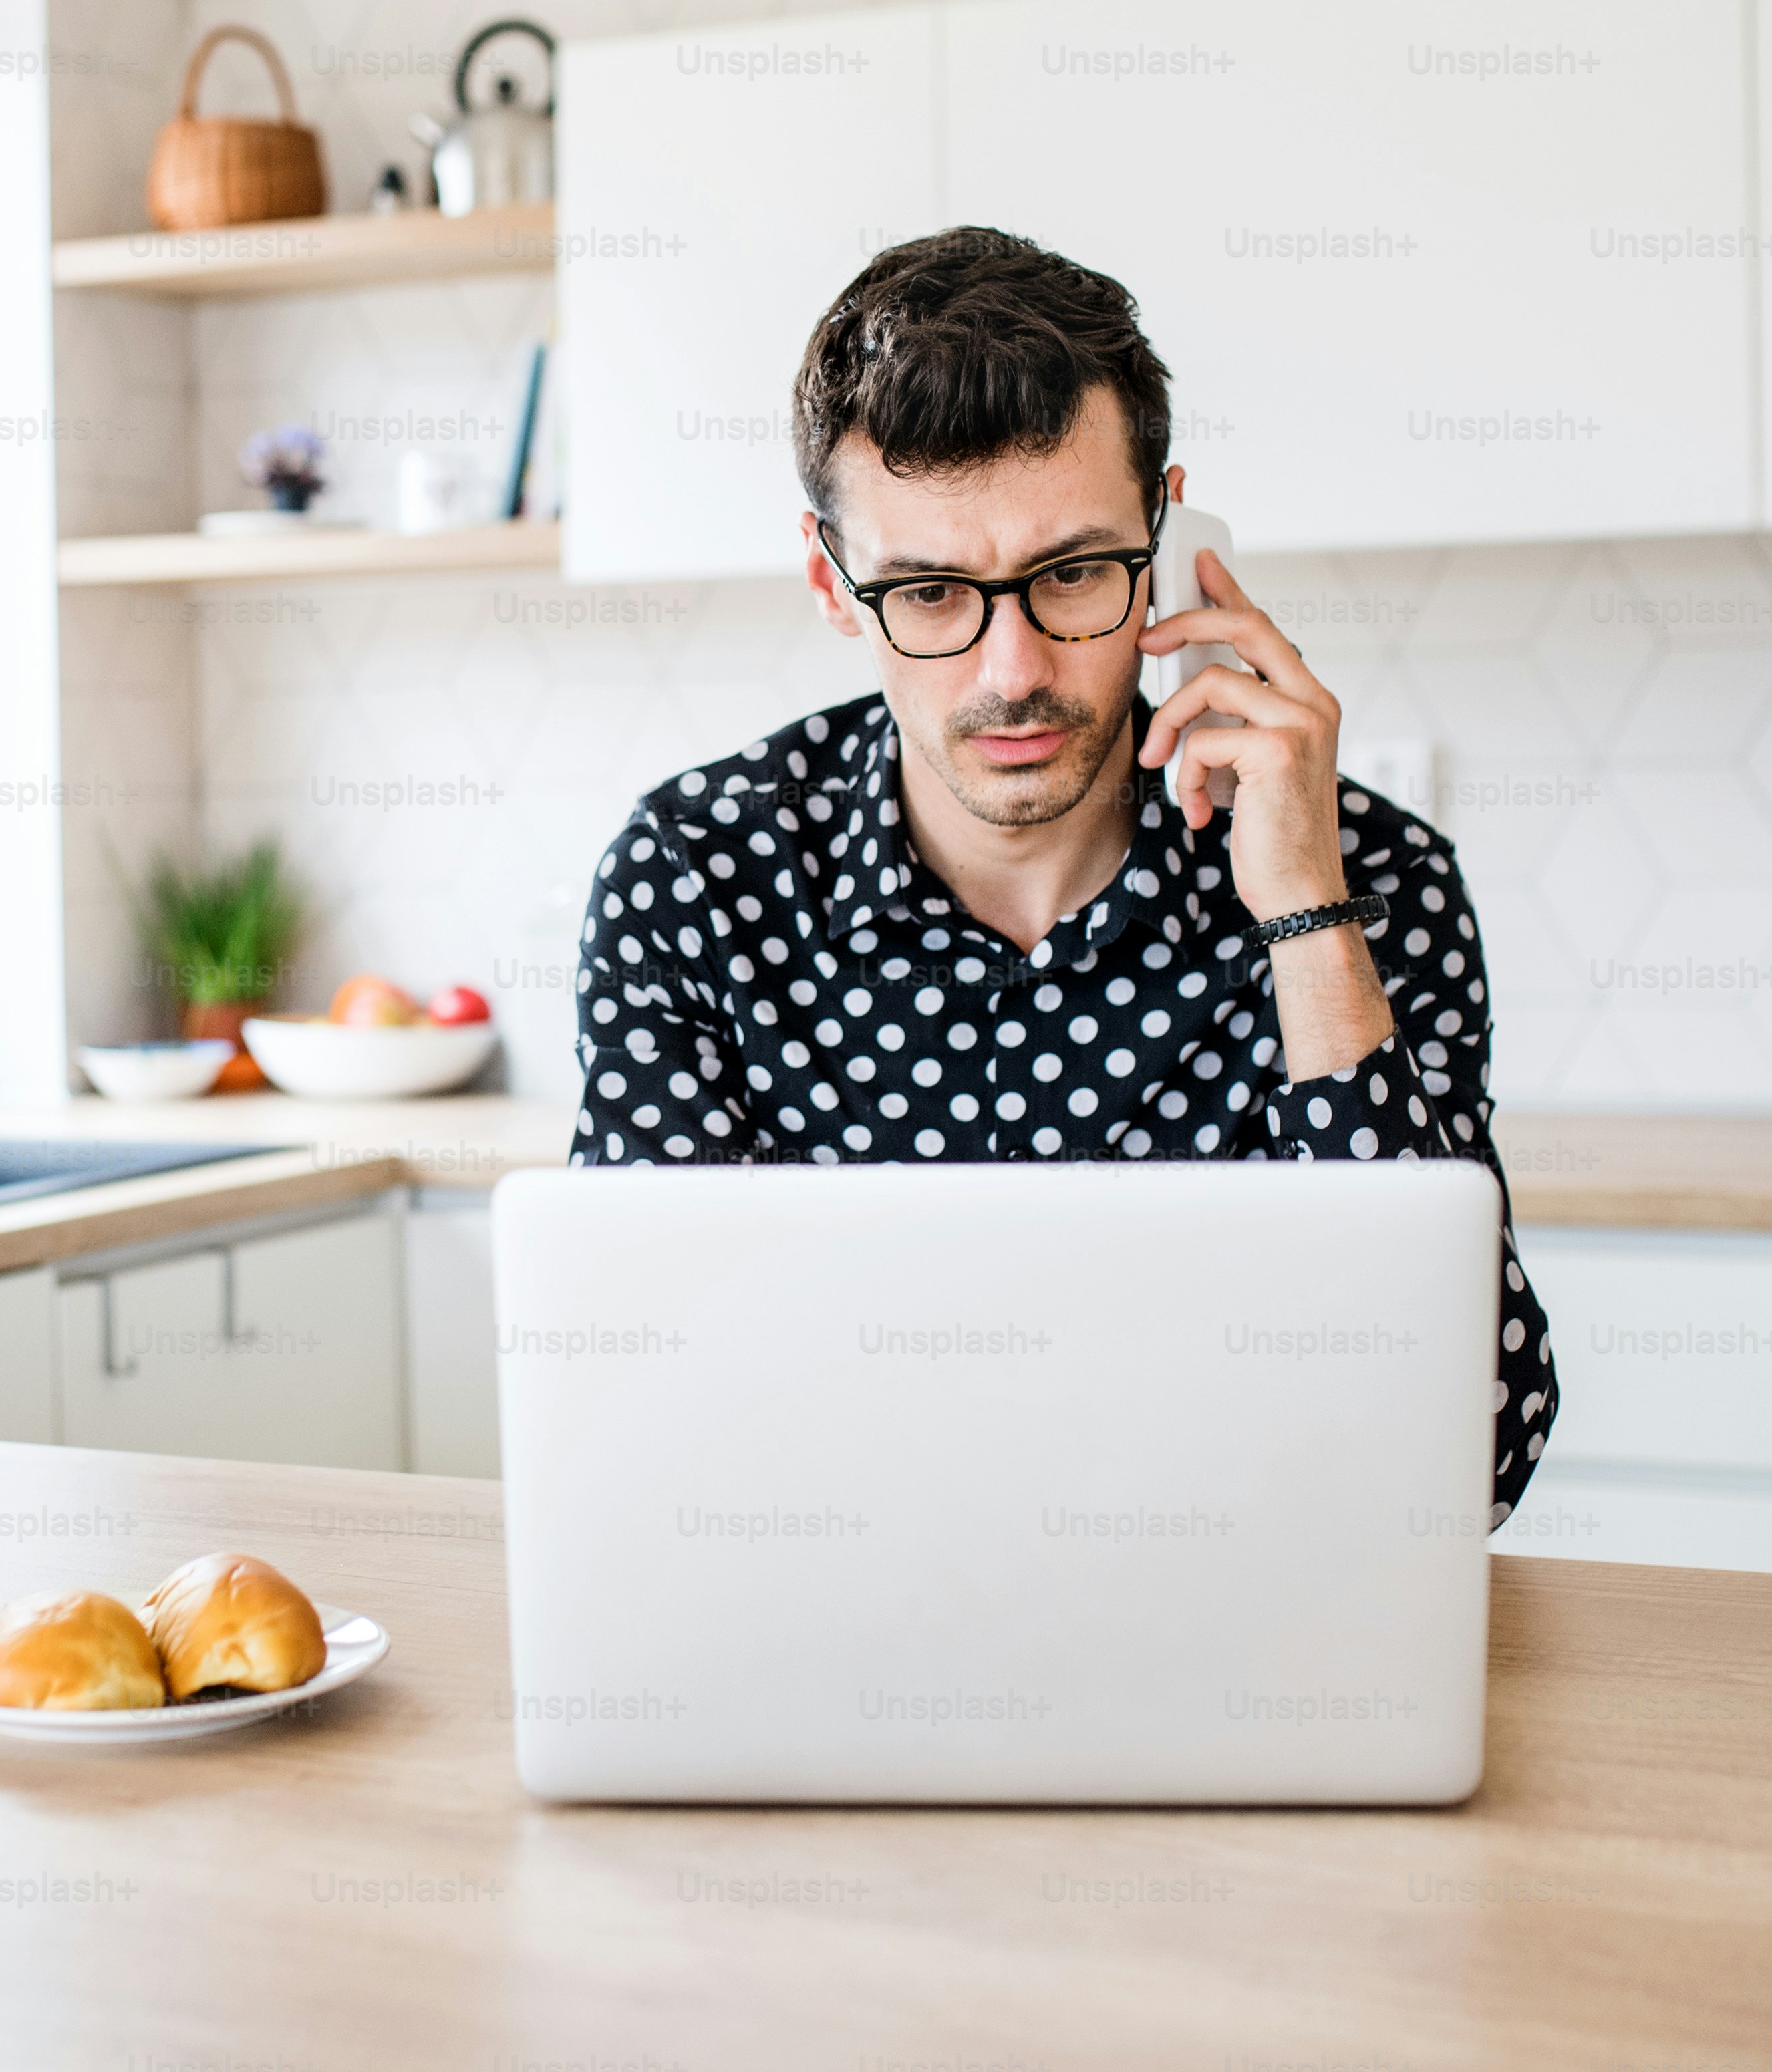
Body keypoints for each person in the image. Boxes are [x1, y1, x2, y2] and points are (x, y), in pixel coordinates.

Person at [567, 228, 1559, 1520]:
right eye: (928, 593)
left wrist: (1309, 914)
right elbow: (653, 1417)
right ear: (832, 582)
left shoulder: (1374, 878)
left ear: (1169, 531)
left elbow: (1468, 1458)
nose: (1013, 672)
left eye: (1076, 573)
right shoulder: (696, 881)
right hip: (831, 1638)